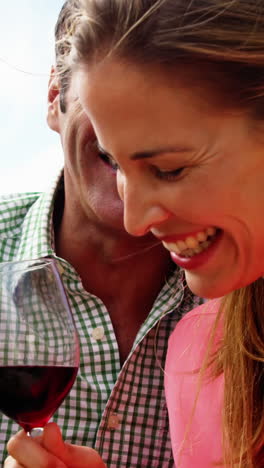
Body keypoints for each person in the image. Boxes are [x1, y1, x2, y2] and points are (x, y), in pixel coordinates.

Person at [6, 0, 264, 467]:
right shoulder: (206, 347)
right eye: (114, 156)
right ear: (53, 99)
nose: (135, 217)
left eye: (168, 169)